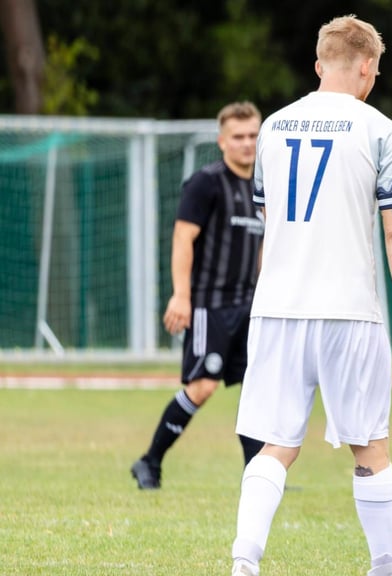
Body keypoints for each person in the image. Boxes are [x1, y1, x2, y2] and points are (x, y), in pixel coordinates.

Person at [229, 15, 392, 576]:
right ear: (367, 66)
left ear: (319, 65)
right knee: (370, 446)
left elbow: (271, 227)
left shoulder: (272, 127)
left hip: (277, 308)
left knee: (275, 444)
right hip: (349, 312)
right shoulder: (380, 129)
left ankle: (245, 560)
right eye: (377, 69)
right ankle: (388, 567)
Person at [131, 101, 265, 490]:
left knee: (256, 391)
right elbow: (182, 238)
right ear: (222, 141)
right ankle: (149, 462)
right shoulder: (206, 182)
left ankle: (256, 477)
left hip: (250, 306)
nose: (247, 144)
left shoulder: (262, 187)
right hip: (210, 304)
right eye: (238, 137)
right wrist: (181, 296)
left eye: (253, 136)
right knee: (203, 386)